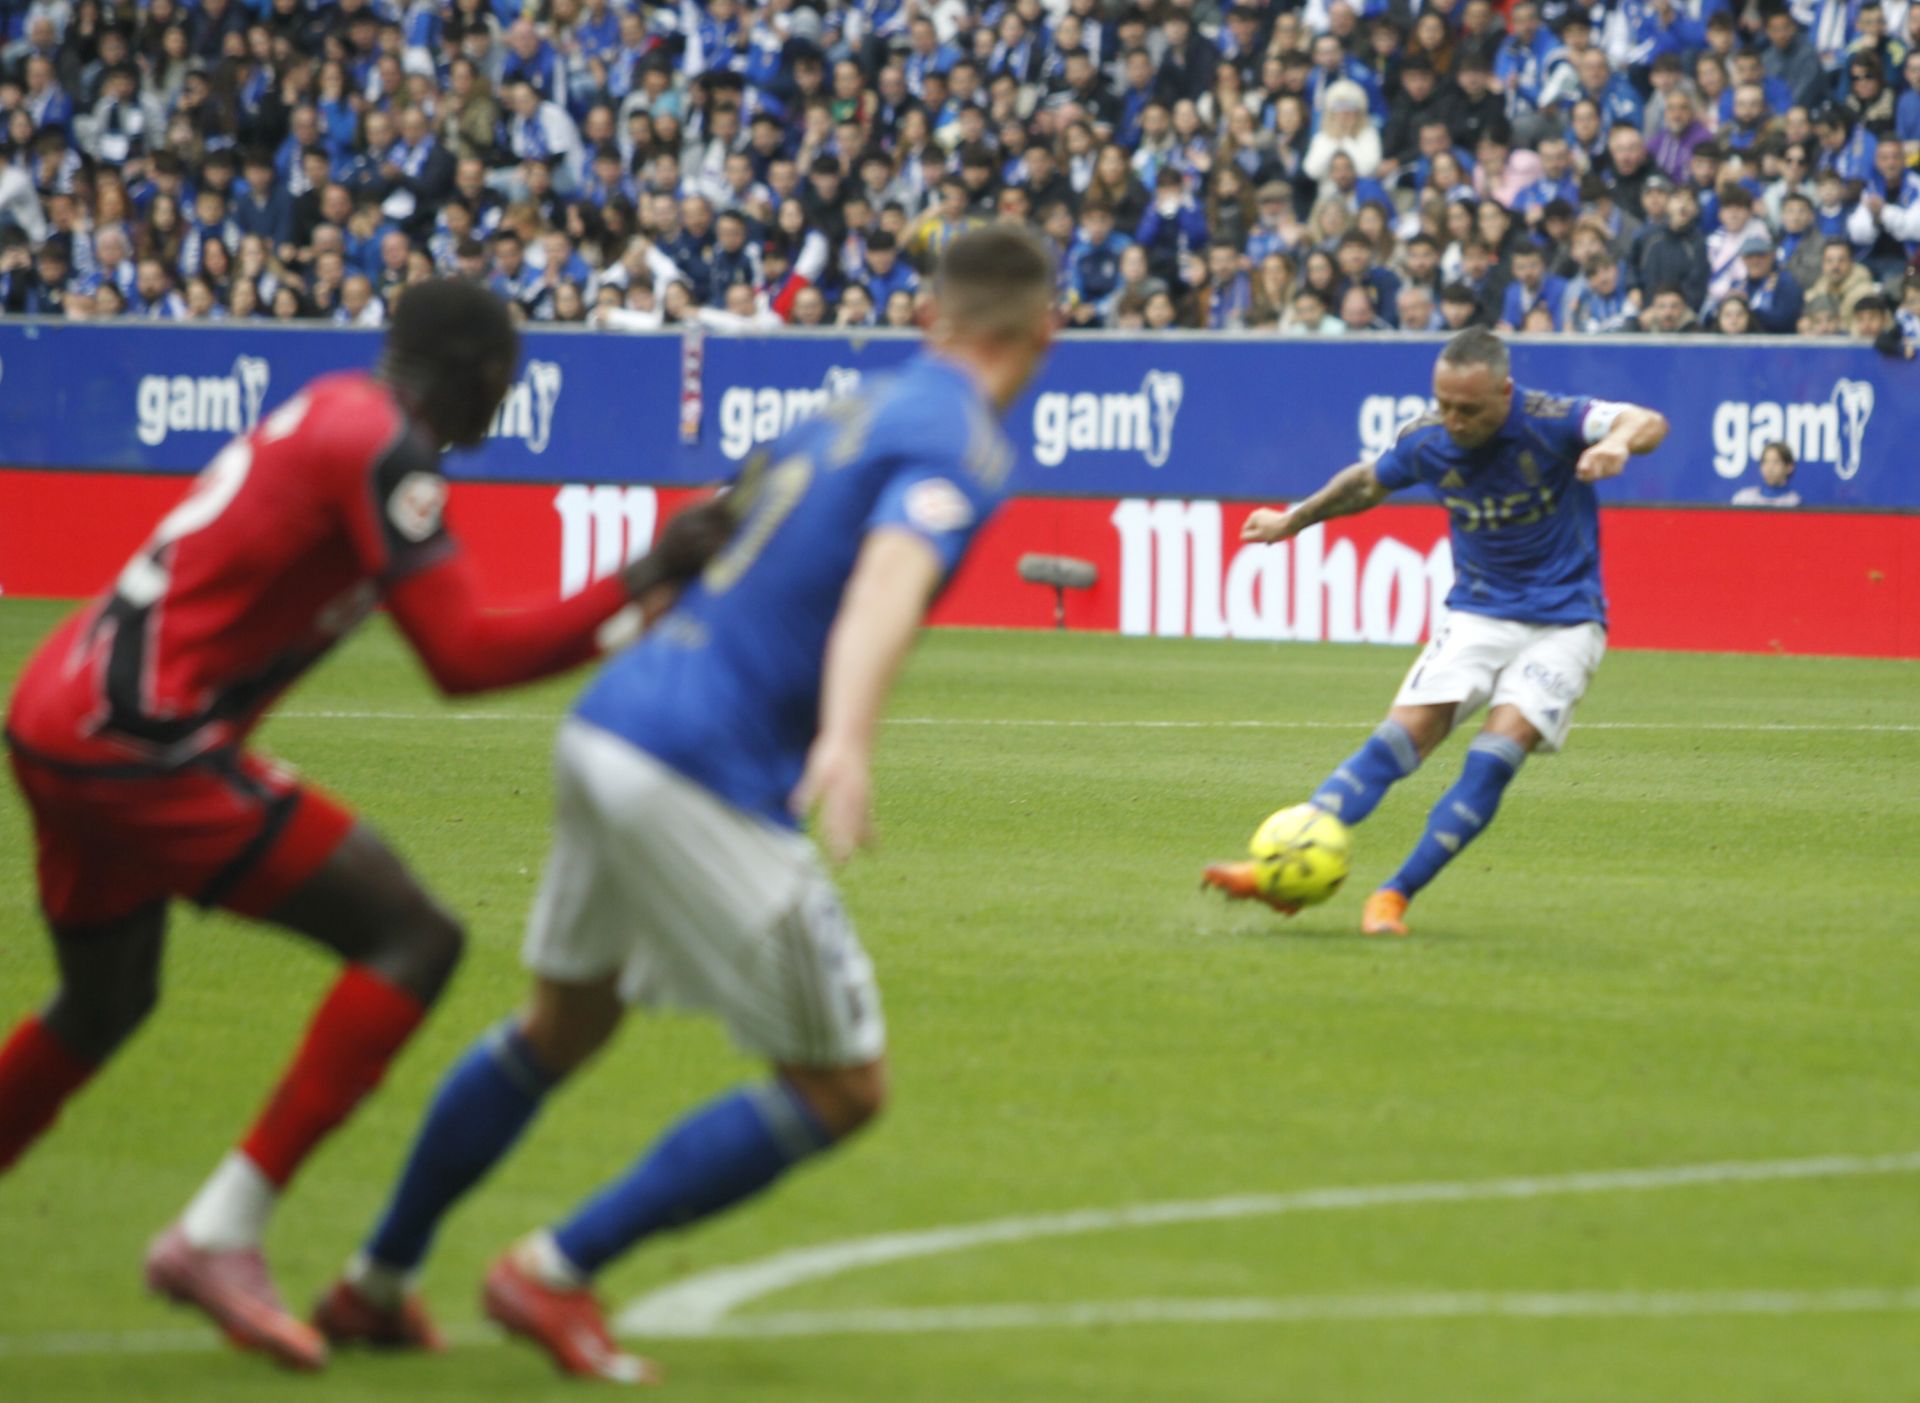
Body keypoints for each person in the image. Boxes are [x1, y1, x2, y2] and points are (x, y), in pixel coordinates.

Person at [309, 226, 1058, 1381]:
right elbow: (888, 578)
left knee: (562, 1025)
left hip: (614, 723)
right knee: (842, 1084)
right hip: (702, 767)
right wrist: (848, 738)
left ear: (927, 318)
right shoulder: (962, 439)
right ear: (1046, 329)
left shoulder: (842, 411)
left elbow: (711, 539)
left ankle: (375, 1280)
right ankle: (554, 1269)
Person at [0, 280, 728, 1370]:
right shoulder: (388, 450)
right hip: (137, 739)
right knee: (412, 936)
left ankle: (240, 1243)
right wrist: (651, 567)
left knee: (103, 1002)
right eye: (510, 379)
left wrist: (634, 600)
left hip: (59, 709)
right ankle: (218, 1234)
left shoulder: (337, 412)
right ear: (486, 374)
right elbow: (463, 658)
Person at [1204, 329, 1668, 935]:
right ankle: (1280, 868)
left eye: (1468, 409)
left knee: (1493, 758)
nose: (1454, 420)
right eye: (1444, 404)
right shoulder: (1429, 440)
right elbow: (1366, 483)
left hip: (1565, 623)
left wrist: (1617, 444)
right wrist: (1293, 520)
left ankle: (1393, 897)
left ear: (1505, 392)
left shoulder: (1553, 421)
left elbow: (1646, 420)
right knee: (1399, 739)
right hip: (1477, 614)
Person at [1731, 441, 1802, 506]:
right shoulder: (1743, 499)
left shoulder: (1794, 503)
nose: (1769, 468)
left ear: (1789, 467)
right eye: (1765, 462)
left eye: (1776, 462)